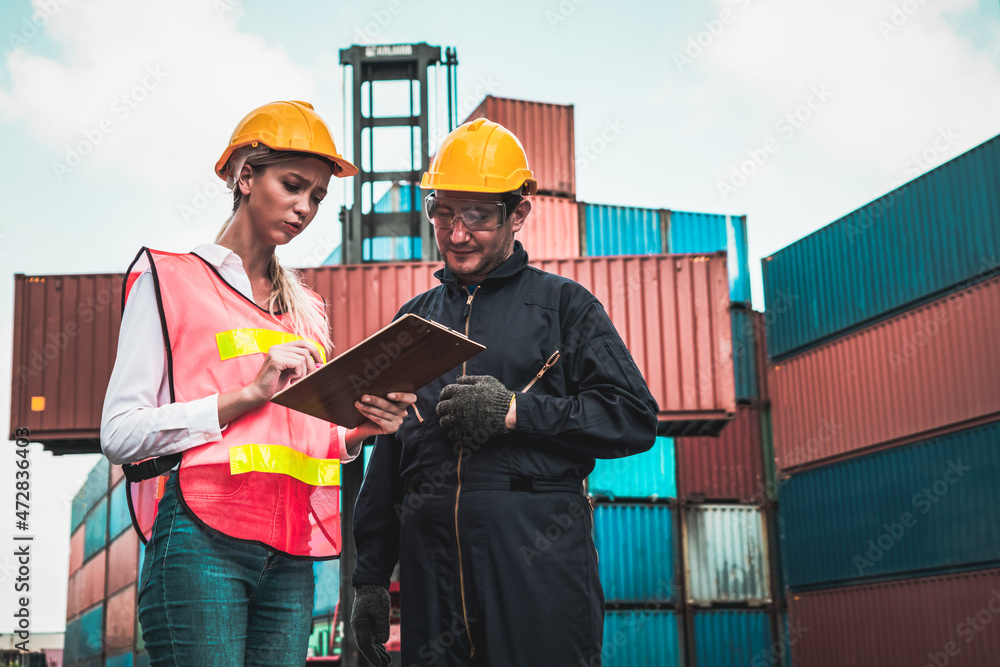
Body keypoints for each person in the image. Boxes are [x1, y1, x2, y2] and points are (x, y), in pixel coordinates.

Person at [100, 100, 416, 667]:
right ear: (246, 176)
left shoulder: (308, 311)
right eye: (293, 185)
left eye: (318, 196)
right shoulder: (169, 278)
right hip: (202, 543)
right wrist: (245, 395)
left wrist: (357, 431)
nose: (305, 208)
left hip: (291, 553)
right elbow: (119, 435)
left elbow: (299, 437)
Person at [349, 119, 659, 667]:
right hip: (431, 578)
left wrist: (515, 412)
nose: (456, 233)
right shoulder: (414, 322)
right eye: (443, 212)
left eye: (476, 216)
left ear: (518, 213)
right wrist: (370, 576)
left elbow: (633, 417)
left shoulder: (565, 308)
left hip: (536, 568)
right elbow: (389, 456)